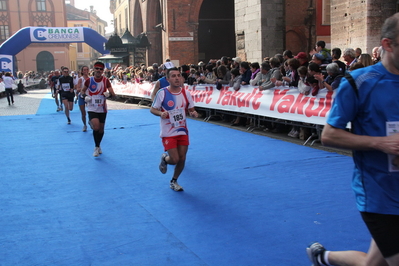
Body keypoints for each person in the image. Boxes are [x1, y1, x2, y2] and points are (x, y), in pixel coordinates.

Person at [307, 13, 399, 266]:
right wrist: (381, 143)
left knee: (373, 263)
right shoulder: (359, 82)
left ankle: (322, 257)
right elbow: (329, 135)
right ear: (388, 45)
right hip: (380, 195)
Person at [150, 67, 198, 192]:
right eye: (173, 76)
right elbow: (152, 109)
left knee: (182, 158)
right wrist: (161, 114)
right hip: (168, 131)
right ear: (168, 79)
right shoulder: (162, 93)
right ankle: (164, 159)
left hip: (182, 130)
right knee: (174, 159)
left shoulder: (186, 93)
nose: (177, 78)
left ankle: (174, 180)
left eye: (178, 75)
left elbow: (191, 109)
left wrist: (193, 113)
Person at [81, 61, 116, 157]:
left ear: (103, 71)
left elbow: (113, 95)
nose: (99, 71)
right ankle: (96, 147)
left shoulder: (106, 81)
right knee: (96, 127)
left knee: (101, 130)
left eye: (101, 69)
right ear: (94, 69)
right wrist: (85, 97)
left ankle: (98, 145)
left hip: (102, 108)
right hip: (92, 107)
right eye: (97, 69)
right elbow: (82, 91)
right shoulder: (89, 81)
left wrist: (109, 95)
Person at [76, 65, 90, 132]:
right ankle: (84, 125)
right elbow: (78, 88)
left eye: (87, 69)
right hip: (81, 97)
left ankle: (91, 121)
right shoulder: (81, 79)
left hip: (89, 97)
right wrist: (84, 89)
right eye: (84, 70)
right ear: (82, 71)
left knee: (91, 111)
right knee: (83, 113)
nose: (86, 71)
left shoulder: (91, 79)